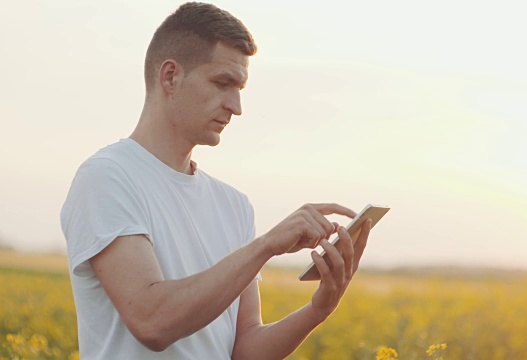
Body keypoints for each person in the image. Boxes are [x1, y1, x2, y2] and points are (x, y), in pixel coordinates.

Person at [60, 2, 371, 359]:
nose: (236, 107)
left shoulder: (234, 205)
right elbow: (152, 321)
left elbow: (243, 349)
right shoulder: (107, 177)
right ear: (170, 76)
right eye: (223, 83)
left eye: (239, 88)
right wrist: (266, 246)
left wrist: (319, 309)